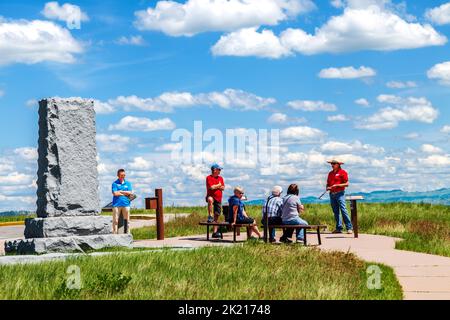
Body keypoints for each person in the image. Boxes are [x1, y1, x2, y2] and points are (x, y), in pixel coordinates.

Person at [326, 159, 353, 234]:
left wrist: (337, 185)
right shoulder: (330, 173)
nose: (332, 165)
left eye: (334, 164)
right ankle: (339, 228)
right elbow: (328, 183)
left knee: (343, 210)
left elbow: (347, 184)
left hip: (340, 193)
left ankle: (349, 228)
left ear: (338, 164)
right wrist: (327, 187)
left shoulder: (343, 172)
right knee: (336, 212)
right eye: (331, 163)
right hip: (332, 194)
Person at [205, 163, 225, 239]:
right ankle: (210, 215)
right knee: (210, 199)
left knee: (217, 215)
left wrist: (218, 186)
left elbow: (223, 188)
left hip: (219, 198)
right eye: (219, 169)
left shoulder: (221, 178)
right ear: (214, 170)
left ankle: (215, 232)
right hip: (211, 196)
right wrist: (219, 185)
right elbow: (211, 187)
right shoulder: (208, 178)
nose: (220, 171)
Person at [112, 169, 133, 234]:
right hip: (116, 204)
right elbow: (115, 193)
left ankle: (127, 234)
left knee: (127, 220)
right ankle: (114, 234)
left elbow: (130, 192)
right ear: (118, 175)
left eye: (124, 175)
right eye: (121, 175)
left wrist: (120, 191)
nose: (123, 176)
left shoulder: (128, 183)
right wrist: (125, 193)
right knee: (115, 220)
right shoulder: (114, 183)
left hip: (126, 204)